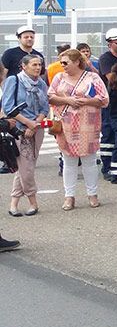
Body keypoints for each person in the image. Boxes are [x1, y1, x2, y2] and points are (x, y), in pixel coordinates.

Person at [48, 49, 108, 210]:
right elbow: (50, 96)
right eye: (61, 63)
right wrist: (67, 99)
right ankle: (69, 196)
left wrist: (85, 101)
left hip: (88, 124)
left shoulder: (92, 77)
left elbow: (104, 99)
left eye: (65, 62)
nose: (63, 66)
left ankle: (92, 194)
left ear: (76, 62)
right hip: (66, 124)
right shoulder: (59, 77)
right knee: (68, 161)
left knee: (89, 160)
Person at [3, 55, 49, 217]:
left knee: (24, 167)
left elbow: (45, 107)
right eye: (34, 64)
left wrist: (36, 123)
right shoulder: (14, 81)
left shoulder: (42, 83)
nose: (38, 68)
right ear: (23, 66)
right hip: (19, 129)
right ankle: (32, 201)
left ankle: (13, 203)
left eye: (40, 65)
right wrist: (28, 123)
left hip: (37, 129)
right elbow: (8, 106)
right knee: (26, 168)